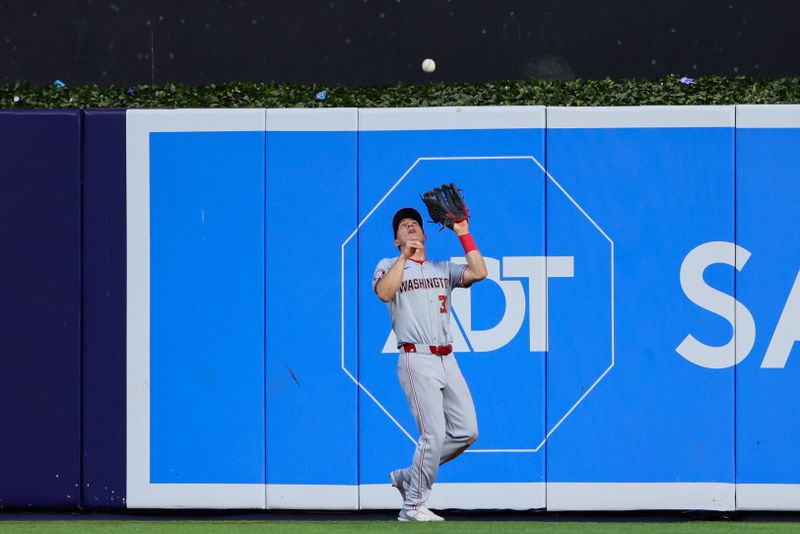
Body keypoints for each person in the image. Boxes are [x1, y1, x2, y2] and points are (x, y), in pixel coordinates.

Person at [372, 206, 488, 522]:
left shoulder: (441, 268)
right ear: (396, 240)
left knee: (467, 431)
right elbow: (384, 293)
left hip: (447, 358)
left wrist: (463, 232)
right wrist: (402, 258)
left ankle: (411, 476)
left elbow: (479, 272)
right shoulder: (388, 265)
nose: (409, 226)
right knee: (433, 434)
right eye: (403, 226)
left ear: (424, 234)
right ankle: (412, 506)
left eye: (414, 224)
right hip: (416, 357)